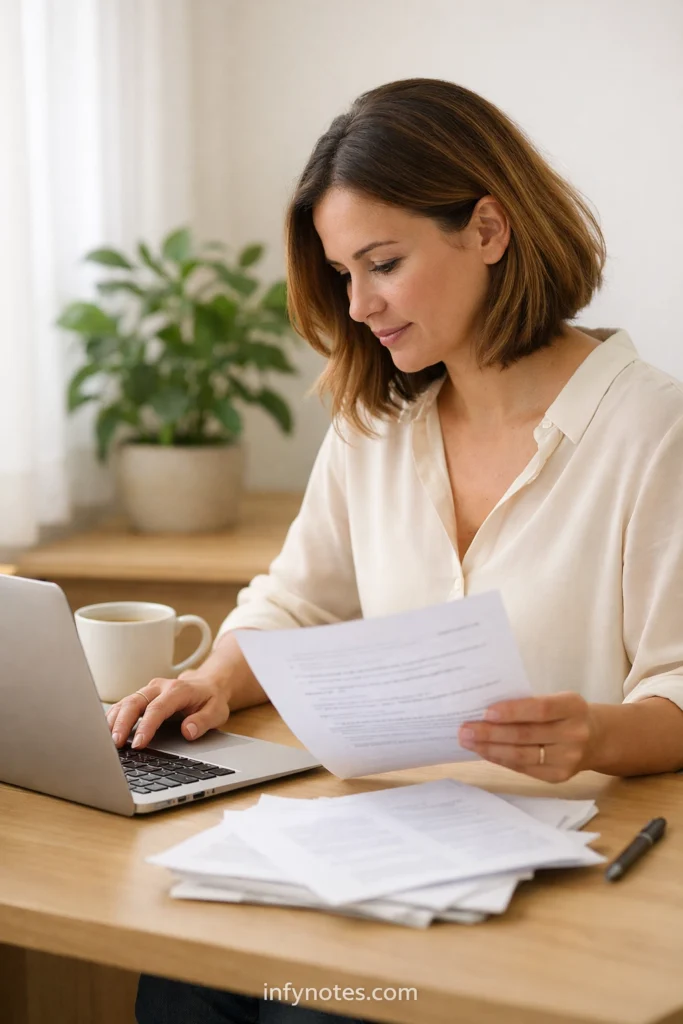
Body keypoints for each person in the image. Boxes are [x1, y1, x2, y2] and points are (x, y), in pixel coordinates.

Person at [117, 79, 683, 1024]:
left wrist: (594, 733)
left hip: (573, 874)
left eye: (381, 262)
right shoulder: (376, 425)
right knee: (181, 966)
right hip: (391, 846)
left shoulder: (649, 430)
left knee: (315, 1010)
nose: (360, 303)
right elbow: (295, 603)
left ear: (489, 230)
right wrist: (214, 676)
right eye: (344, 273)